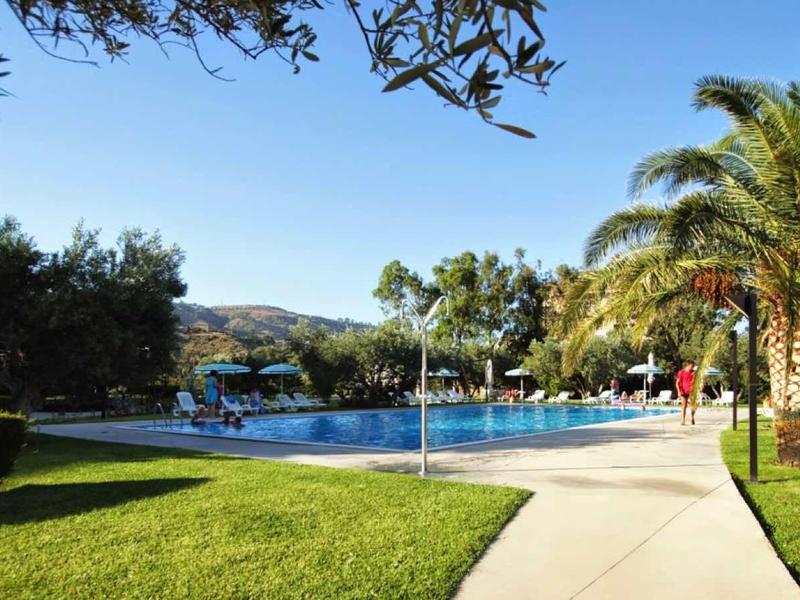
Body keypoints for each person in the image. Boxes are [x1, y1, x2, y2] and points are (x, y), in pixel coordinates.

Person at [676, 360, 697, 426]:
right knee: (684, 406)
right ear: (688, 365)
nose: (693, 367)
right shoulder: (681, 372)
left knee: (694, 406)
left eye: (693, 366)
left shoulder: (694, 373)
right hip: (683, 391)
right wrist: (678, 391)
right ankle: (683, 420)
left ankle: (692, 417)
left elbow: (696, 381)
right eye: (692, 366)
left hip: (692, 391)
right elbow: (677, 383)